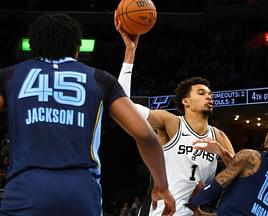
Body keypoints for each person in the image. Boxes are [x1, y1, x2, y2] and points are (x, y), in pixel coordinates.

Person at [0, 13, 175, 216]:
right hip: (81, 190)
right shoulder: (100, 79)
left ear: (32, 46)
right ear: (77, 49)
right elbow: (146, 136)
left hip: (26, 188)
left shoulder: (10, 76)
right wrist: (161, 185)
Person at [114, 14, 235, 216]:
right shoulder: (171, 124)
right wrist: (130, 51)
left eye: (209, 93)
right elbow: (123, 105)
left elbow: (242, 177)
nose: (209, 96)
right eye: (201, 93)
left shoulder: (219, 137)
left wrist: (223, 153)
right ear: (185, 102)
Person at [186, 116, 268, 216]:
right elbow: (242, 209)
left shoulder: (252, 157)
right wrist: (201, 214)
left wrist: (191, 200)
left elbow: (213, 190)